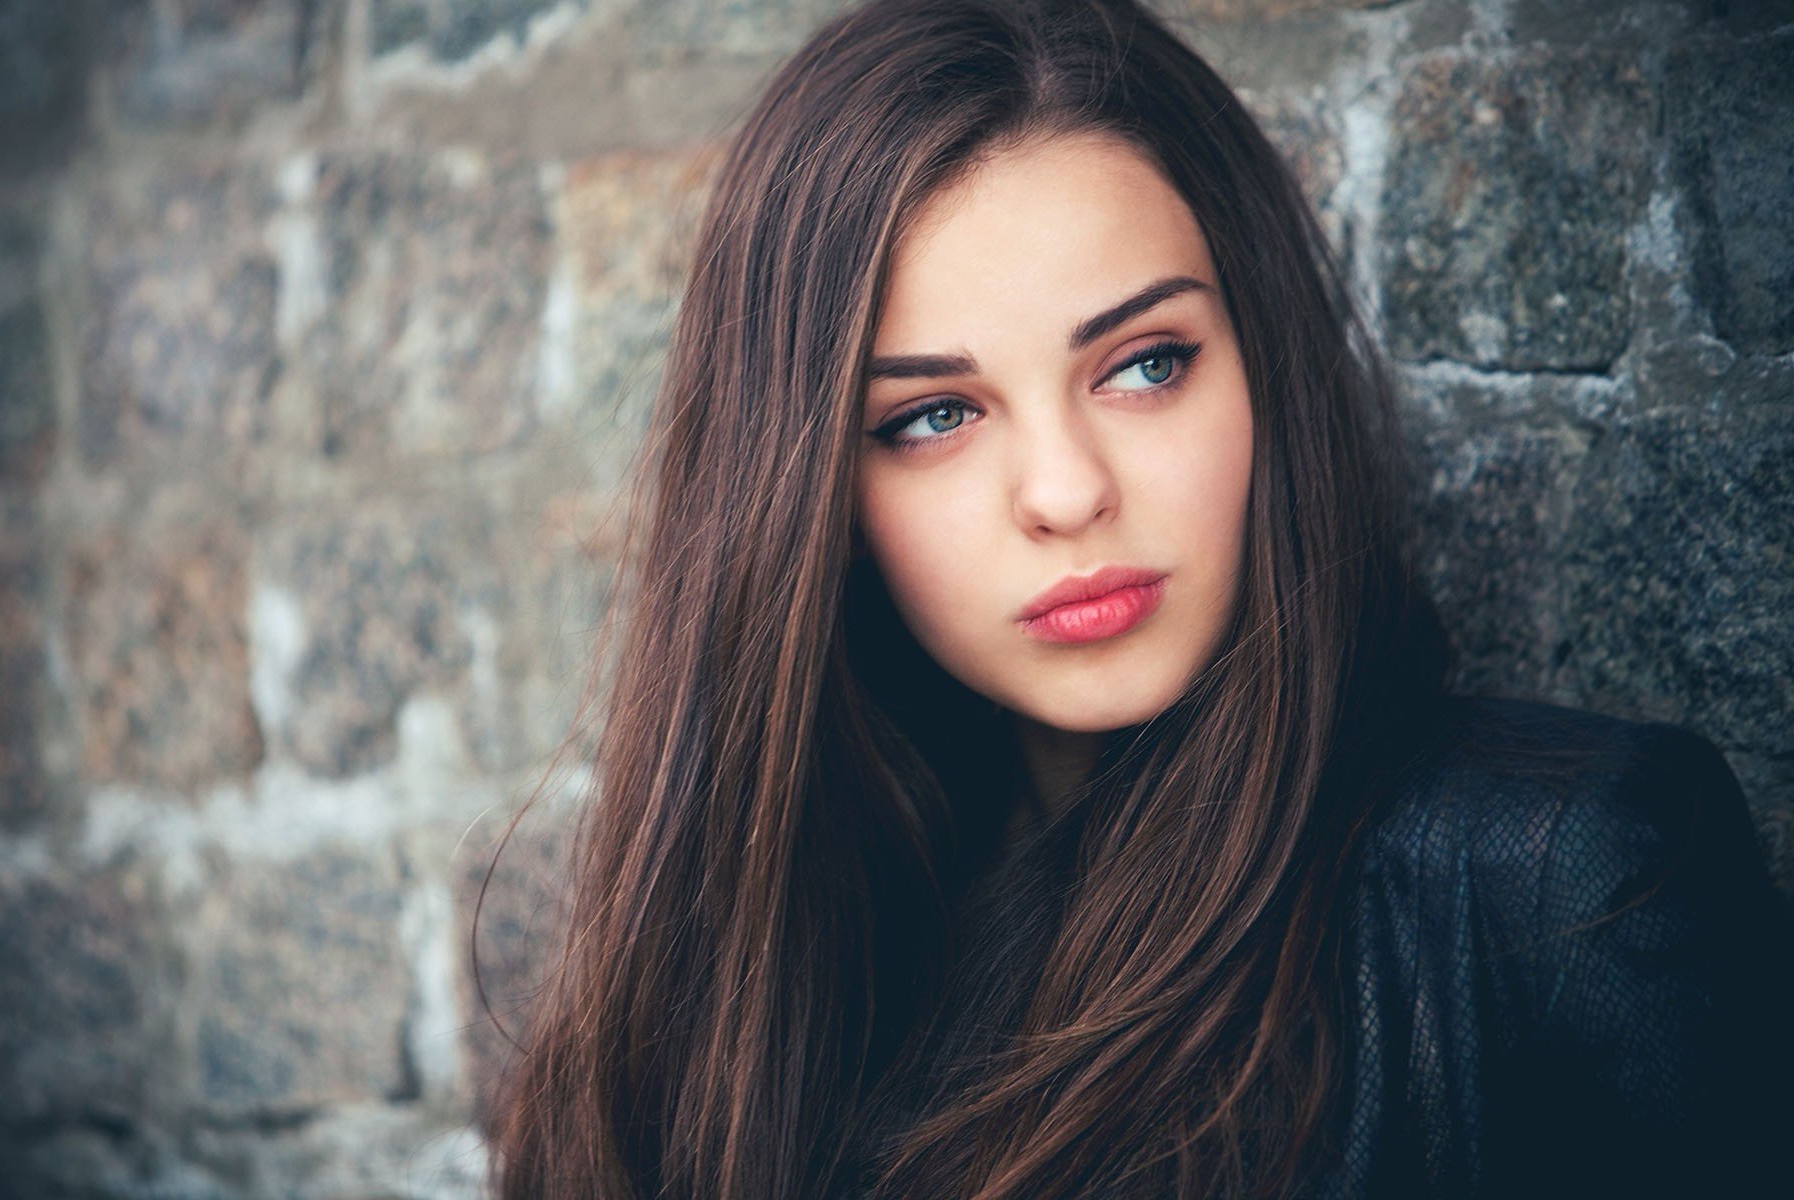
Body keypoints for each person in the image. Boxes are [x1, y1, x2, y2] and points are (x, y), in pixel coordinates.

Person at [485, 1, 1794, 1196]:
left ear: (1262, 364)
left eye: (1145, 364)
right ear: (814, 494)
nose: (1064, 492)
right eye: (935, 415)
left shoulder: (1569, 876)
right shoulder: (772, 981)